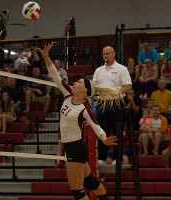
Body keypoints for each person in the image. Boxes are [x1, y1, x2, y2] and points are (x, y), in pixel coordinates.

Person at [39, 43, 118, 200]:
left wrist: (104, 139)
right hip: (72, 147)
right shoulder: (67, 94)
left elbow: (97, 127)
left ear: (84, 90)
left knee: (77, 191)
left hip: (75, 148)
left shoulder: (85, 108)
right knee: (90, 182)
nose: (74, 83)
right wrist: (46, 57)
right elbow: (55, 75)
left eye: (79, 83)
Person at [93, 46, 132, 162]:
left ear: (114, 54)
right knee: (102, 131)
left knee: (117, 131)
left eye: (108, 53)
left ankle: (117, 158)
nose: (106, 56)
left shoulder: (122, 69)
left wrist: (116, 92)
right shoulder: (98, 70)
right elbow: (93, 86)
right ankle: (101, 158)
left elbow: (128, 86)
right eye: (104, 54)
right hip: (102, 102)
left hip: (117, 102)